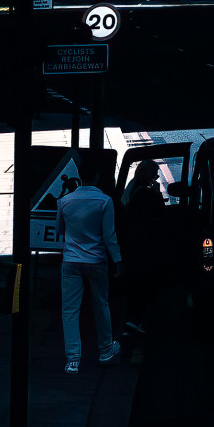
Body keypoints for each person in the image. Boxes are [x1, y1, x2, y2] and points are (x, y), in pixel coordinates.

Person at [56, 156, 121, 373]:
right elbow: (109, 236)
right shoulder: (104, 201)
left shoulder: (65, 201)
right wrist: (118, 261)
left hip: (72, 260)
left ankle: (73, 359)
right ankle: (105, 350)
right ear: (97, 177)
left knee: (70, 310)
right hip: (97, 260)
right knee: (101, 305)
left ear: (80, 177)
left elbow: (60, 231)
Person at [118, 160, 170, 335]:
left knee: (134, 285)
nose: (155, 178)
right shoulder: (147, 194)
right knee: (146, 285)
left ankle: (131, 319)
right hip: (145, 246)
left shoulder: (131, 190)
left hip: (131, 245)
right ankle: (137, 320)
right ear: (148, 175)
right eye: (155, 175)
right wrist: (157, 194)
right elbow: (161, 216)